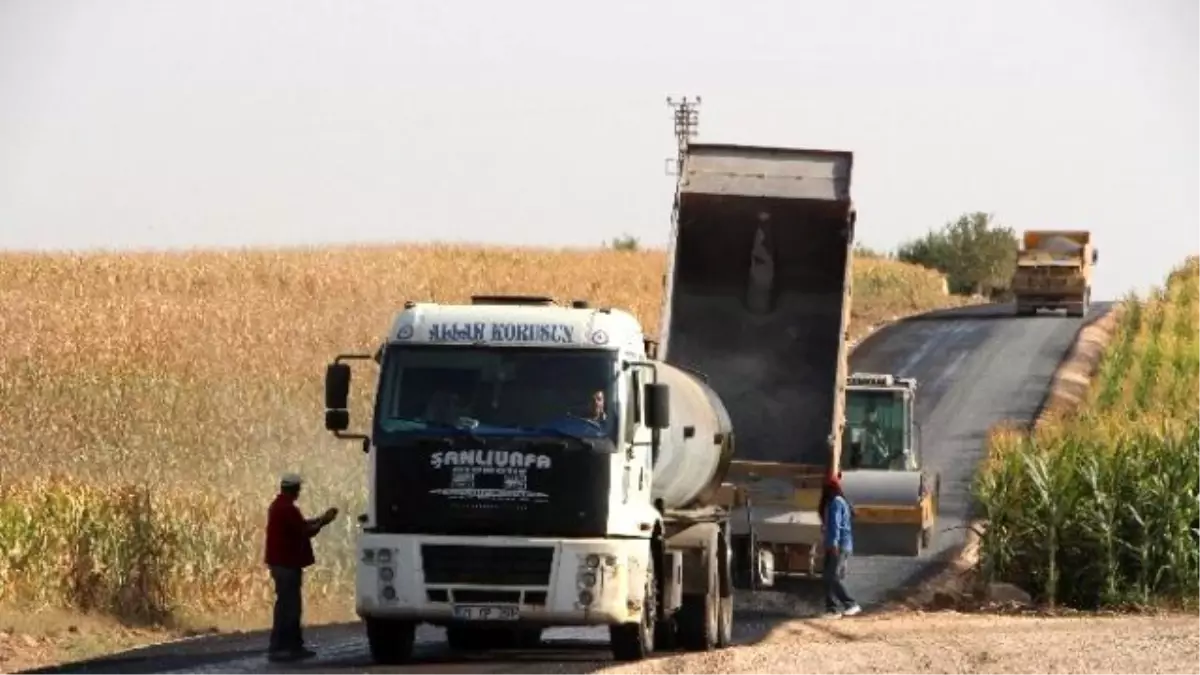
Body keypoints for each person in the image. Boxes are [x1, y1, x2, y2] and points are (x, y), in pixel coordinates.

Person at [264, 473, 339, 662]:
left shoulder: (279, 506)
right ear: (295, 490)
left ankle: (284, 646)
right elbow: (305, 531)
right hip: (286, 563)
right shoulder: (287, 509)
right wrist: (324, 521)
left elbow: (300, 525)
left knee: (286, 605)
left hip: (281, 563)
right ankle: (286, 648)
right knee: (290, 607)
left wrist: (320, 519)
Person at [822, 473, 862, 619]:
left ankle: (851, 604)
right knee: (827, 577)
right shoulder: (836, 502)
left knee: (832, 577)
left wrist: (832, 545)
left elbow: (835, 526)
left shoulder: (836, 503)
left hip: (838, 545)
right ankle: (831, 609)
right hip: (837, 545)